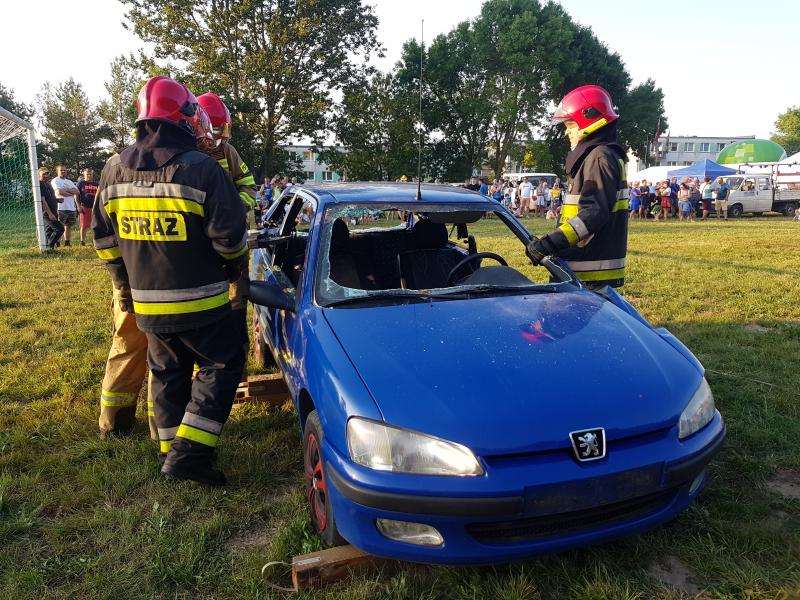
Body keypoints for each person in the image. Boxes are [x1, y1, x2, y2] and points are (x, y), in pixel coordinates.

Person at [92, 76, 247, 485]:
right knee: (222, 364)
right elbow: (230, 238)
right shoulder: (203, 169)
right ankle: (189, 458)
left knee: (167, 374)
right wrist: (232, 268)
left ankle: (169, 450)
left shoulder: (111, 169)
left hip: (146, 304)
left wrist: (123, 286)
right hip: (202, 301)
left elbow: (104, 240)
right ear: (186, 118)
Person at [527, 85, 629, 288]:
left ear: (589, 120)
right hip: (588, 267)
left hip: (589, 271)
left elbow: (594, 213)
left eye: (571, 125)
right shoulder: (604, 155)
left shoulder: (599, 156)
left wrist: (550, 243)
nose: (567, 133)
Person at [198, 91, 258, 377]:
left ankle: (238, 372)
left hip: (231, 239)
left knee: (236, 304)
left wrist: (236, 208)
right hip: (199, 246)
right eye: (217, 128)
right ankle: (206, 370)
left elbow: (248, 185)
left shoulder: (228, 153)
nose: (221, 134)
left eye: (224, 129)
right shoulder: (189, 153)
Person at [51, 165, 79, 246]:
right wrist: (71, 192)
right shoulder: (55, 180)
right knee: (60, 226)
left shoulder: (69, 181)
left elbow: (77, 192)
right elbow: (59, 192)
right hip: (60, 207)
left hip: (71, 207)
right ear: (57, 171)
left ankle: (67, 242)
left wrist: (66, 190)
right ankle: (57, 242)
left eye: (64, 170)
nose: (63, 171)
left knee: (68, 225)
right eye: (61, 170)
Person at [38, 167, 64, 249]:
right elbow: (43, 201)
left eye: (47, 173)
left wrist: (57, 200)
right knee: (59, 229)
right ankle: (50, 246)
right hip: (47, 213)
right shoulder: (39, 184)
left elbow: (50, 198)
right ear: (39, 175)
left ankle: (47, 248)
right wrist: (49, 214)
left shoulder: (48, 184)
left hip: (53, 211)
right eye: (44, 174)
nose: (46, 175)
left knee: (49, 231)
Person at [76, 168, 98, 245]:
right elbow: (76, 195)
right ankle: (82, 241)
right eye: (87, 174)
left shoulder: (96, 184)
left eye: (90, 174)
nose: (89, 175)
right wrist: (78, 206)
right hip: (84, 206)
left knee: (95, 225)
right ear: (84, 175)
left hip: (95, 207)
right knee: (84, 225)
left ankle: (95, 240)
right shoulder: (81, 184)